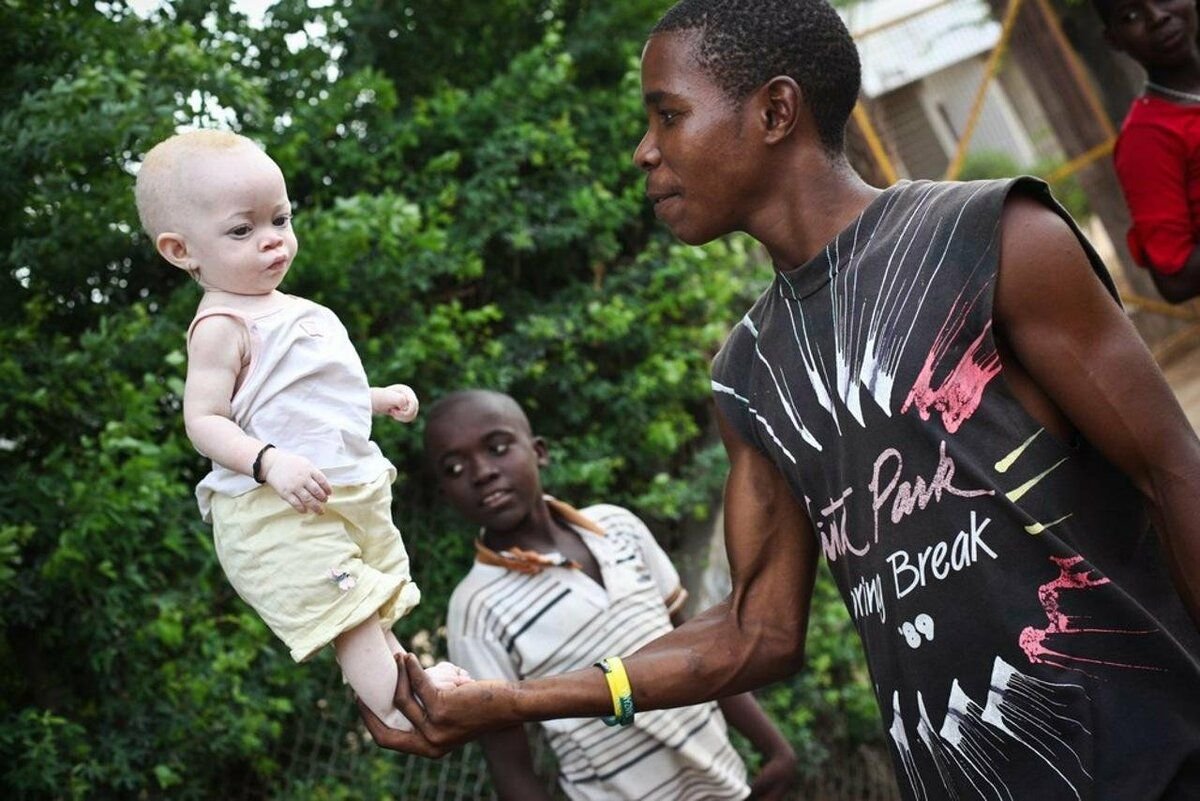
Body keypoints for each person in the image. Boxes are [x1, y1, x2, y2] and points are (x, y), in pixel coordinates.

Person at [361, 2, 1200, 798]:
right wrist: (511, 700)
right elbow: (758, 632)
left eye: (668, 115)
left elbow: (1175, 473)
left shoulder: (992, 240)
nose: (644, 151)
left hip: (1155, 761)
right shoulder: (748, 373)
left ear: (774, 112)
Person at [134, 129, 469, 732]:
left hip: (341, 492)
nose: (272, 240)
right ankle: (398, 709)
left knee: (368, 606)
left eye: (280, 219)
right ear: (182, 250)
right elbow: (203, 420)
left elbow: (310, 401)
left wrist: (376, 398)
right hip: (274, 509)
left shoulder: (301, 312)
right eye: (242, 230)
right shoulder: (222, 325)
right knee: (350, 613)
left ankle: (404, 687)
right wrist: (268, 461)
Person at [422, 389, 797, 801]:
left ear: (539, 452)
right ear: (445, 493)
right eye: (455, 468)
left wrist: (776, 750)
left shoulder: (620, 528)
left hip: (727, 786)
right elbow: (510, 765)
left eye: (497, 447)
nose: (482, 472)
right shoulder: (476, 607)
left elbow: (706, 653)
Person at [1098, 0, 1200, 302]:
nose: (1157, 17)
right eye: (1130, 16)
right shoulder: (1147, 138)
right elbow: (1175, 279)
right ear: (1114, 39)